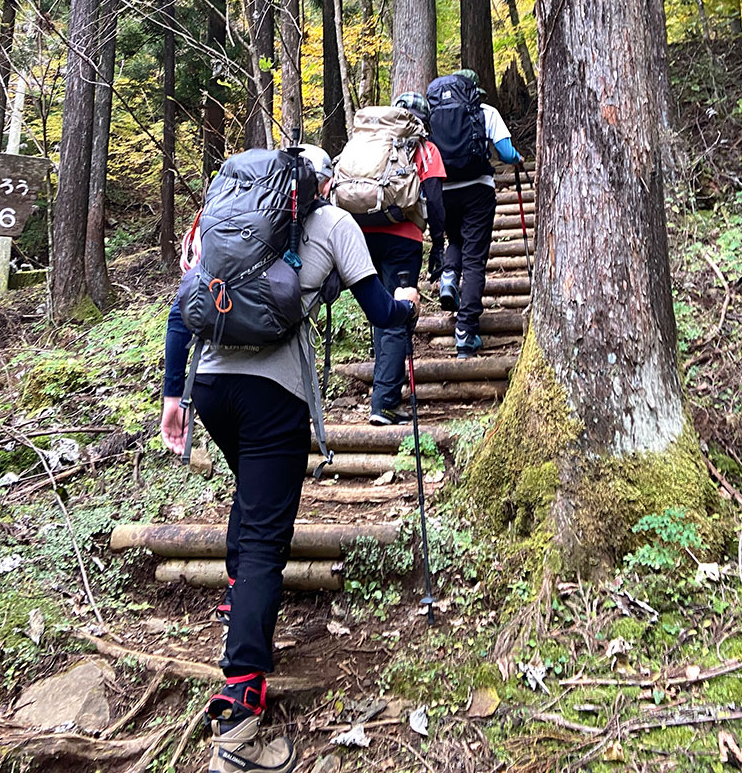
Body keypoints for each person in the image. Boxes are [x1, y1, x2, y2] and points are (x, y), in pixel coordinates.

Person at [160, 144, 420, 773]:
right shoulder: (334, 225)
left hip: (213, 388)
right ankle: (241, 717)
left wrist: (174, 395)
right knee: (267, 539)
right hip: (275, 399)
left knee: (250, 498)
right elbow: (382, 313)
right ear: (322, 181)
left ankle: (233, 598)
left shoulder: (222, 217)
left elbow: (182, 308)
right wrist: (407, 302)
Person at [360, 91, 446, 425]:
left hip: (363, 236)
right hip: (403, 238)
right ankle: (384, 403)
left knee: (380, 309)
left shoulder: (373, 145)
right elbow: (436, 201)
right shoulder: (424, 149)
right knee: (397, 315)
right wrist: (438, 244)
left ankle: (384, 386)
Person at [433, 69, 523, 358]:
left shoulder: (435, 116)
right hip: (478, 191)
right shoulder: (485, 112)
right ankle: (466, 332)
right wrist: (519, 159)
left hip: (444, 192)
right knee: (474, 260)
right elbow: (506, 153)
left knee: (455, 242)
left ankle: (448, 276)